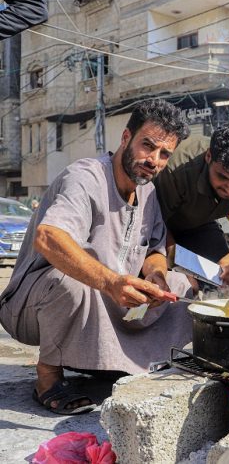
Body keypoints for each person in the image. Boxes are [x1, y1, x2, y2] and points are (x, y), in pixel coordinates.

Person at [0, 99, 193, 415]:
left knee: (181, 286)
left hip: (106, 304)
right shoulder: (85, 177)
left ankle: (117, 365)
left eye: (164, 154)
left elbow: (155, 251)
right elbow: (48, 237)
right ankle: (48, 379)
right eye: (148, 146)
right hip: (33, 306)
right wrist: (112, 282)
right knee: (70, 282)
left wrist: (156, 276)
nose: (154, 160)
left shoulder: (148, 191)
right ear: (126, 138)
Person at [153, 124, 229, 287]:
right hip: (157, 226)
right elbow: (154, 227)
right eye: (222, 177)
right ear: (208, 156)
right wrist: (179, 267)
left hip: (199, 224)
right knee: (180, 286)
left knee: (227, 284)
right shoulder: (176, 168)